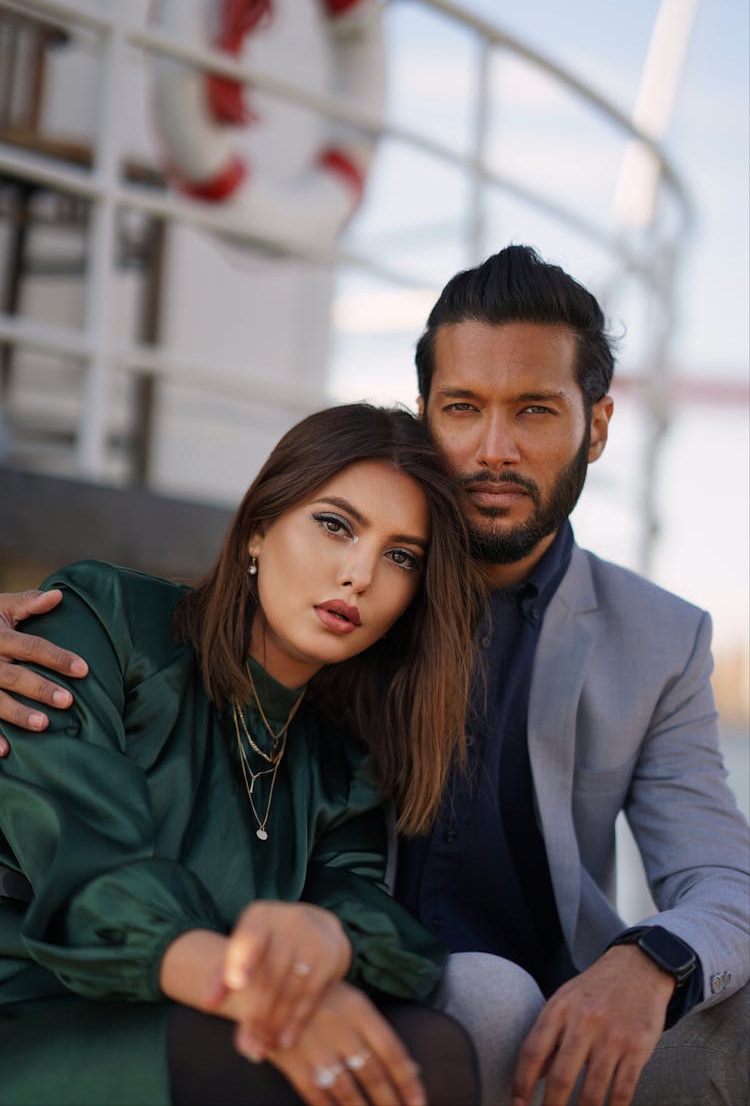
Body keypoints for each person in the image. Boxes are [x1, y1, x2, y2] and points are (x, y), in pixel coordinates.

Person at [2, 245, 749, 1106]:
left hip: (509, 990)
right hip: (135, 992)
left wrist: (650, 959)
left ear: (599, 425)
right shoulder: (220, 623)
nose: (495, 449)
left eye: (536, 411)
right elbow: (89, 822)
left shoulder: (656, 639)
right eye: (464, 408)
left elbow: (722, 879)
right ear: (426, 412)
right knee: (471, 1006)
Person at [0, 403, 482, 1106]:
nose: (359, 574)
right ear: (259, 525)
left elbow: (380, 927)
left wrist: (329, 938)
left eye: (401, 556)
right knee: (275, 1063)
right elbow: (85, 867)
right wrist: (252, 987)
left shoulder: (341, 764)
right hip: (36, 1011)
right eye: (336, 524)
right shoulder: (104, 618)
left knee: (430, 1048)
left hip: (205, 1020)